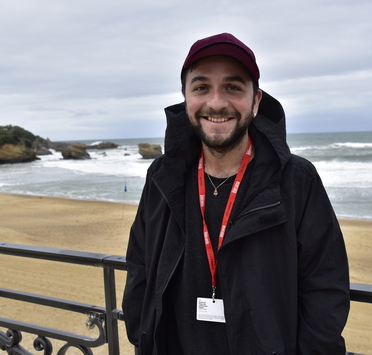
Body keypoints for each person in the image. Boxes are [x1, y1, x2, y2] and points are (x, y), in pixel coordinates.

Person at [122, 33, 350, 355]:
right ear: (186, 97)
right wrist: (142, 334)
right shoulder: (162, 176)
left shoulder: (296, 179)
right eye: (201, 87)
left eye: (233, 87)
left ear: (256, 101)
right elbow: (140, 265)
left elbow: (325, 285)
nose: (216, 102)